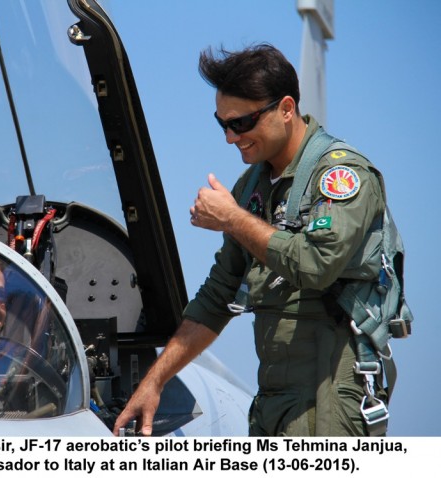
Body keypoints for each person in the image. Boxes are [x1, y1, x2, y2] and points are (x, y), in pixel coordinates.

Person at [113, 43, 392, 437]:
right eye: (222, 123)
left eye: (242, 123)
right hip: (273, 401)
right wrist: (155, 381)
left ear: (286, 109)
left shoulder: (342, 177)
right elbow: (218, 296)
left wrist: (231, 218)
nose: (230, 137)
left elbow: (315, 266)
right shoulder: (253, 188)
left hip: (329, 395)